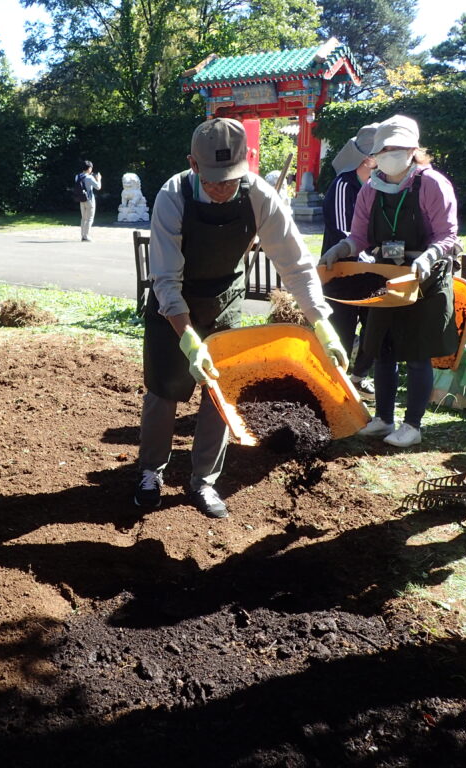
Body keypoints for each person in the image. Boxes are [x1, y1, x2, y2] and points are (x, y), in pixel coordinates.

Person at [136, 117, 346, 519]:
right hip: (173, 305)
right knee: (163, 392)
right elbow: (165, 278)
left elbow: (296, 266)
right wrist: (189, 340)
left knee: (220, 393)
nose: (223, 189)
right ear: (193, 164)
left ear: (246, 163)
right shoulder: (172, 196)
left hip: (223, 302)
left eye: (231, 179)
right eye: (213, 180)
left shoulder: (259, 195)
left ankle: (204, 480)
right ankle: (150, 472)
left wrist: (322, 325)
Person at [321, 115, 462, 449]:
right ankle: (384, 418)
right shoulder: (371, 189)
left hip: (425, 278)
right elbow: (359, 236)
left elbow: (448, 235)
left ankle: (413, 424)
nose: (390, 155)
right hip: (386, 276)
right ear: (374, 154)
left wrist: (429, 256)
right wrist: (342, 248)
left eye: (398, 148)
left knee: (416, 353)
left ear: (414, 150)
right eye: (384, 149)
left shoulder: (432, 184)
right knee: (382, 347)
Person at [321, 122, 381, 399]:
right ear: (368, 159)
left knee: (374, 329)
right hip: (342, 273)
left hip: (373, 273)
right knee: (341, 332)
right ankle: (334, 386)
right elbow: (343, 232)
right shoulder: (343, 185)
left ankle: (359, 378)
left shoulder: (380, 186)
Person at [76, 160, 102, 241]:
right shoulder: (90, 177)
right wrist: (99, 179)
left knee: (83, 218)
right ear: (89, 168)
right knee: (90, 219)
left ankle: (82, 235)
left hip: (81, 200)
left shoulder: (77, 176)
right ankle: (86, 236)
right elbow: (98, 187)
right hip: (89, 200)